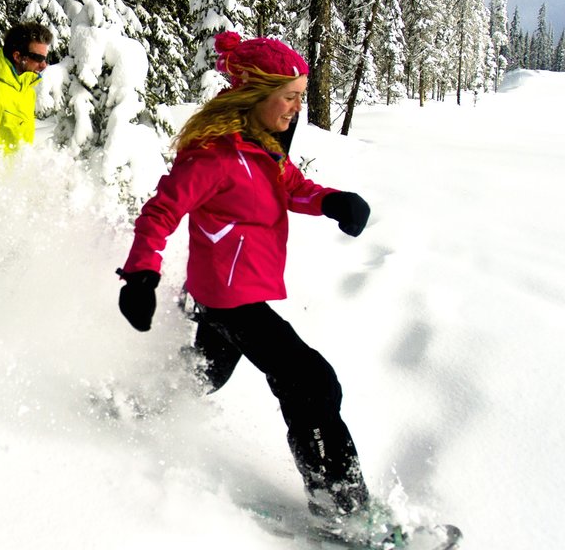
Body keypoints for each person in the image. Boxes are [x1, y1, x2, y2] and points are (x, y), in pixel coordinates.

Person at [116, 32, 374, 520]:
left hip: (238, 290)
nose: (299, 106)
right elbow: (160, 214)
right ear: (258, 94)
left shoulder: (262, 145)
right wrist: (141, 276)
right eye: (292, 96)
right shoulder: (214, 155)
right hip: (231, 298)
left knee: (205, 372)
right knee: (311, 383)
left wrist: (331, 201)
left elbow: (290, 185)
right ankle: (345, 513)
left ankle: (130, 403)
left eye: (301, 95)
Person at [0, 22, 53, 152]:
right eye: (38, 58)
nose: (44, 65)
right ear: (17, 56)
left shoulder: (27, 93)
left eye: (45, 58)